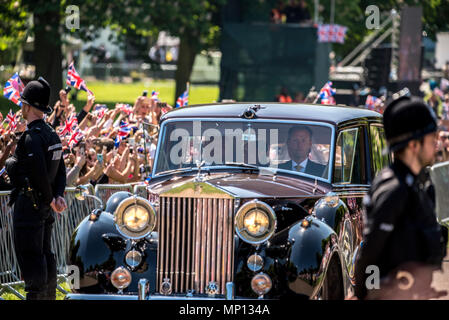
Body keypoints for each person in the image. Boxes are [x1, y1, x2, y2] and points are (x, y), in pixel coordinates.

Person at [354, 96, 447, 300]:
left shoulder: (414, 184)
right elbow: (371, 251)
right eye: (432, 139)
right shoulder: (395, 190)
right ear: (414, 145)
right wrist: (365, 293)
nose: (437, 145)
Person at [5, 77, 67, 300]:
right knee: (45, 257)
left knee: (32, 264)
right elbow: (61, 171)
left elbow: (39, 172)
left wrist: (51, 198)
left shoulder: (32, 137)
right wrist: (57, 195)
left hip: (31, 208)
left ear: (28, 106)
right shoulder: (51, 134)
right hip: (43, 207)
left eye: (23, 104)